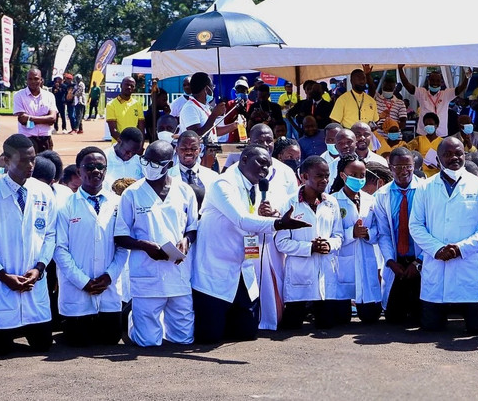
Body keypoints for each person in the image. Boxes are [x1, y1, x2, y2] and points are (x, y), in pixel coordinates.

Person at [190, 145, 309, 344]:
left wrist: (271, 216)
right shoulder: (223, 184)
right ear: (243, 160)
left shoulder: (255, 187)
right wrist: (278, 223)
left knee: (246, 334)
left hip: (243, 268)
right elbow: (241, 220)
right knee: (209, 337)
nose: (265, 170)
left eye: (268, 166)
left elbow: (253, 223)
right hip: (215, 268)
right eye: (260, 163)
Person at [0, 134, 56, 355]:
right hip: (2, 283)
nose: (30, 165)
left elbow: (50, 235)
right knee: (1, 349)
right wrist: (2, 275)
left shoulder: (43, 191)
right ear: (6, 161)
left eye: (33, 159)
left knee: (43, 346)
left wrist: (39, 268)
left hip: (33, 282)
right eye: (23, 160)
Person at [115, 141, 198, 346]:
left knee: (183, 338)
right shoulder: (132, 193)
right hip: (147, 275)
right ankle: (130, 328)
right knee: (148, 342)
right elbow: (120, 235)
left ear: (169, 165)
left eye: (155, 163)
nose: (148, 166)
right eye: (146, 160)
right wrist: (144, 245)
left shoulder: (185, 191)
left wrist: (186, 241)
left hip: (178, 273)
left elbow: (193, 227)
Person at [408, 137, 478, 335]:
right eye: (447, 154)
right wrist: (437, 249)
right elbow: (416, 225)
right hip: (437, 264)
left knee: (477, 329)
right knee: (431, 328)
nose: (454, 158)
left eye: (458, 153)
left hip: (469, 265)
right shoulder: (424, 187)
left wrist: (460, 249)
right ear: (438, 159)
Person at [55, 147, 129, 346]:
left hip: (108, 288)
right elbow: (60, 250)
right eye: (89, 166)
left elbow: (123, 246)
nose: (95, 171)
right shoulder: (65, 206)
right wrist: (83, 282)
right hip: (77, 291)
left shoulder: (118, 204)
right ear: (79, 171)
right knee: (78, 342)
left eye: (100, 166)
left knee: (110, 340)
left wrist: (109, 276)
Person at [274, 156, 347, 330]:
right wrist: (310, 248)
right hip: (300, 273)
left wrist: (328, 244)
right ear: (304, 177)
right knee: (292, 325)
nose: (324, 180)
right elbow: (281, 243)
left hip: (325, 270)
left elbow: (339, 235)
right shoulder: (289, 204)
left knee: (326, 324)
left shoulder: (331, 203)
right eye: (319, 176)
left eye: (327, 176)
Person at [372, 147, 422, 325]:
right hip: (397, 261)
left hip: (421, 260)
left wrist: (419, 262)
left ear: (413, 165)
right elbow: (384, 233)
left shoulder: (426, 191)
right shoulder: (381, 195)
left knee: (423, 318)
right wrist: (391, 262)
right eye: (398, 166)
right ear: (390, 167)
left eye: (408, 166)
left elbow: (431, 230)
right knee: (393, 318)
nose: (404, 171)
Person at [331, 155, 383, 323]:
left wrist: (368, 233)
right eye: (354, 174)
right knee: (341, 318)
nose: (359, 179)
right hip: (343, 258)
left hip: (366, 255)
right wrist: (351, 233)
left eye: (362, 175)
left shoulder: (370, 200)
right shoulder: (333, 201)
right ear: (342, 175)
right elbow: (330, 232)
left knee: (371, 317)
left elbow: (379, 229)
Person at [397, 65, 468, 136]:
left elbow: (460, 89)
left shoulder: (446, 94)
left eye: (438, 81)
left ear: (441, 82)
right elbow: (407, 86)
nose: (435, 83)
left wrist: (467, 77)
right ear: (428, 81)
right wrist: (400, 70)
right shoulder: (422, 93)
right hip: (423, 133)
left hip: (441, 134)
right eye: (432, 80)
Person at [13, 69, 58, 154]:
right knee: (28, 165)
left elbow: (52, 119)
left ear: (41, 80)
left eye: (36, 78)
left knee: (46, 165)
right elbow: (22, 120)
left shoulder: (49, 96)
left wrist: (29, 118)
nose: (33, 81)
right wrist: (45, 119)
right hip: (27, 139)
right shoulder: (19, 96)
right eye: (30, 79)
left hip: (46, 139)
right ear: (27, 80)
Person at [407, 113, 443, 178]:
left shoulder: (442, 142)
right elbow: (409, 151)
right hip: (422, 175)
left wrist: (437, 164)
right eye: (426, 124)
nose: (428, 126)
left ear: (436, 125)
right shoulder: (418, 140)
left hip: (438, 174)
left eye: (431, 124)